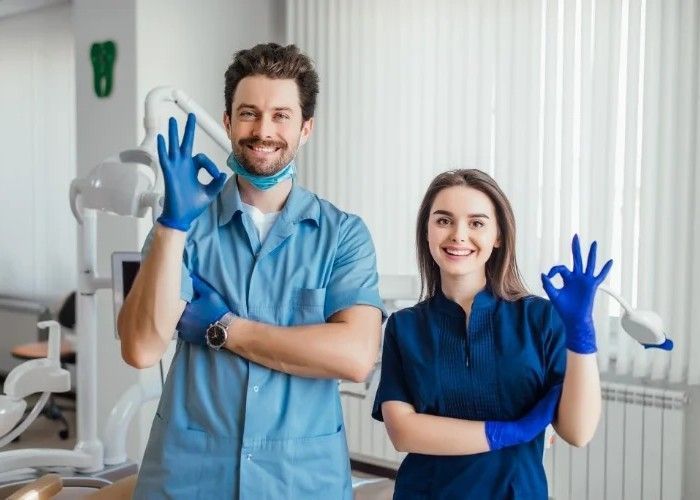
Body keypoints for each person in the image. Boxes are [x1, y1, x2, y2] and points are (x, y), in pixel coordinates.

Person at [118, 43, 385, 499]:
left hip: (299, 480)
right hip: (191, 477)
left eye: (281, 115)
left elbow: (355, 356)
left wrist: (225, 329)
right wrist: (171, 224)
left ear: (306, 128)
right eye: (249, 113)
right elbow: (142, 348)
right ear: (227, 122)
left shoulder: (343, 235)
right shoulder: (187, 228)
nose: (263, 130)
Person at [372, 169, 612, 499]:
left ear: (497, 236)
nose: (458, 235)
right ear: (426, 232)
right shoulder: (405, 326)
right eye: (444, 221)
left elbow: (578, 432)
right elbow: (403, 432)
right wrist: (509, 432)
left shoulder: (540, 319)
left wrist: (582, 335)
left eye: (476, 223)